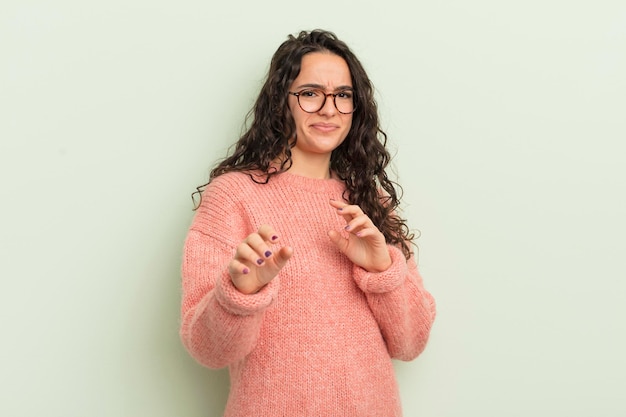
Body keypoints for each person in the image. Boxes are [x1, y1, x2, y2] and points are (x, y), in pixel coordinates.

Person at [179, 29, 436, 417]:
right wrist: (240, 294)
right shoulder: (233, 196)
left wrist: (382, 269)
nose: (329, 109)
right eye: (311, 93)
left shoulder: (371, 203)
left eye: (343, 95)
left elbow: (411, 343)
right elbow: (208, 350)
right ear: (281, 102)